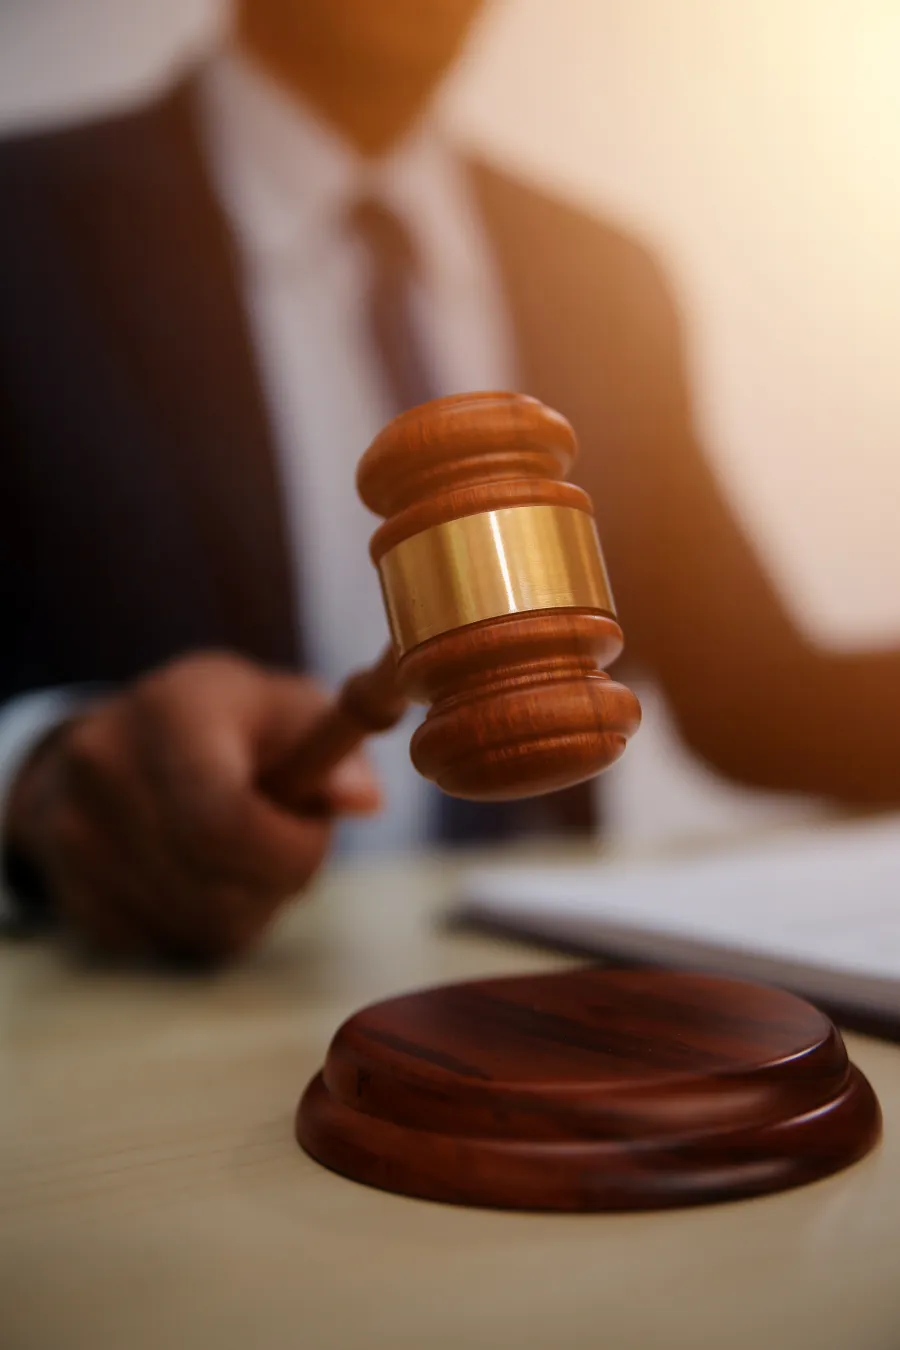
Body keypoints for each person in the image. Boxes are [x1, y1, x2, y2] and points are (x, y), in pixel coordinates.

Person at [1, 0, 898, 965]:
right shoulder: (24, 228)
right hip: (149, 1012)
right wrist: (35, 778)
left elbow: (752, 699)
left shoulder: (605, 279)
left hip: (535, 995)